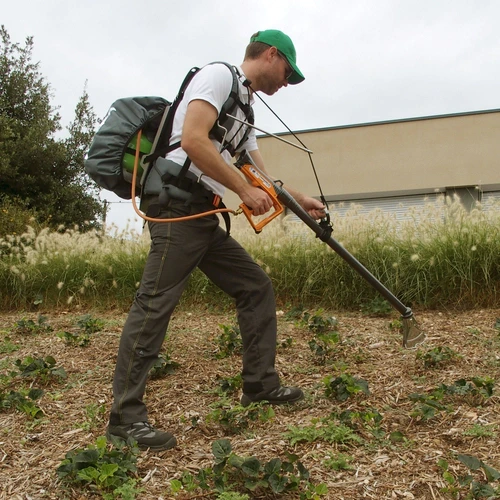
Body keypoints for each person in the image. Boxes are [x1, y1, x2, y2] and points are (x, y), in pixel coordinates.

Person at [106, 29, 326, 451]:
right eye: (287, 72)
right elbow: (192, 139)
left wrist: (298, 200)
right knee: (153, 307)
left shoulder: (245, 112)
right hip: (175, 206)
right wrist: (243, 192)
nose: (287, 82)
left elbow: (259, 176)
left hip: (201, 215)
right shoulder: (217, 77)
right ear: (270, 55)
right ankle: (124, 420)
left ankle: (260, 385)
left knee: (255, 285)